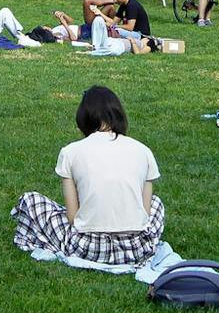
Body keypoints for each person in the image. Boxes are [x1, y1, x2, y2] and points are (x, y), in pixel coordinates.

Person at [11, 85, 164, 265]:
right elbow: (145, 215)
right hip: (137, 249)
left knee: (30, 200)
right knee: (156, 203)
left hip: (88, 248)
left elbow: (73, 218)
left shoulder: (70, 152)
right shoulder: (143, 151)